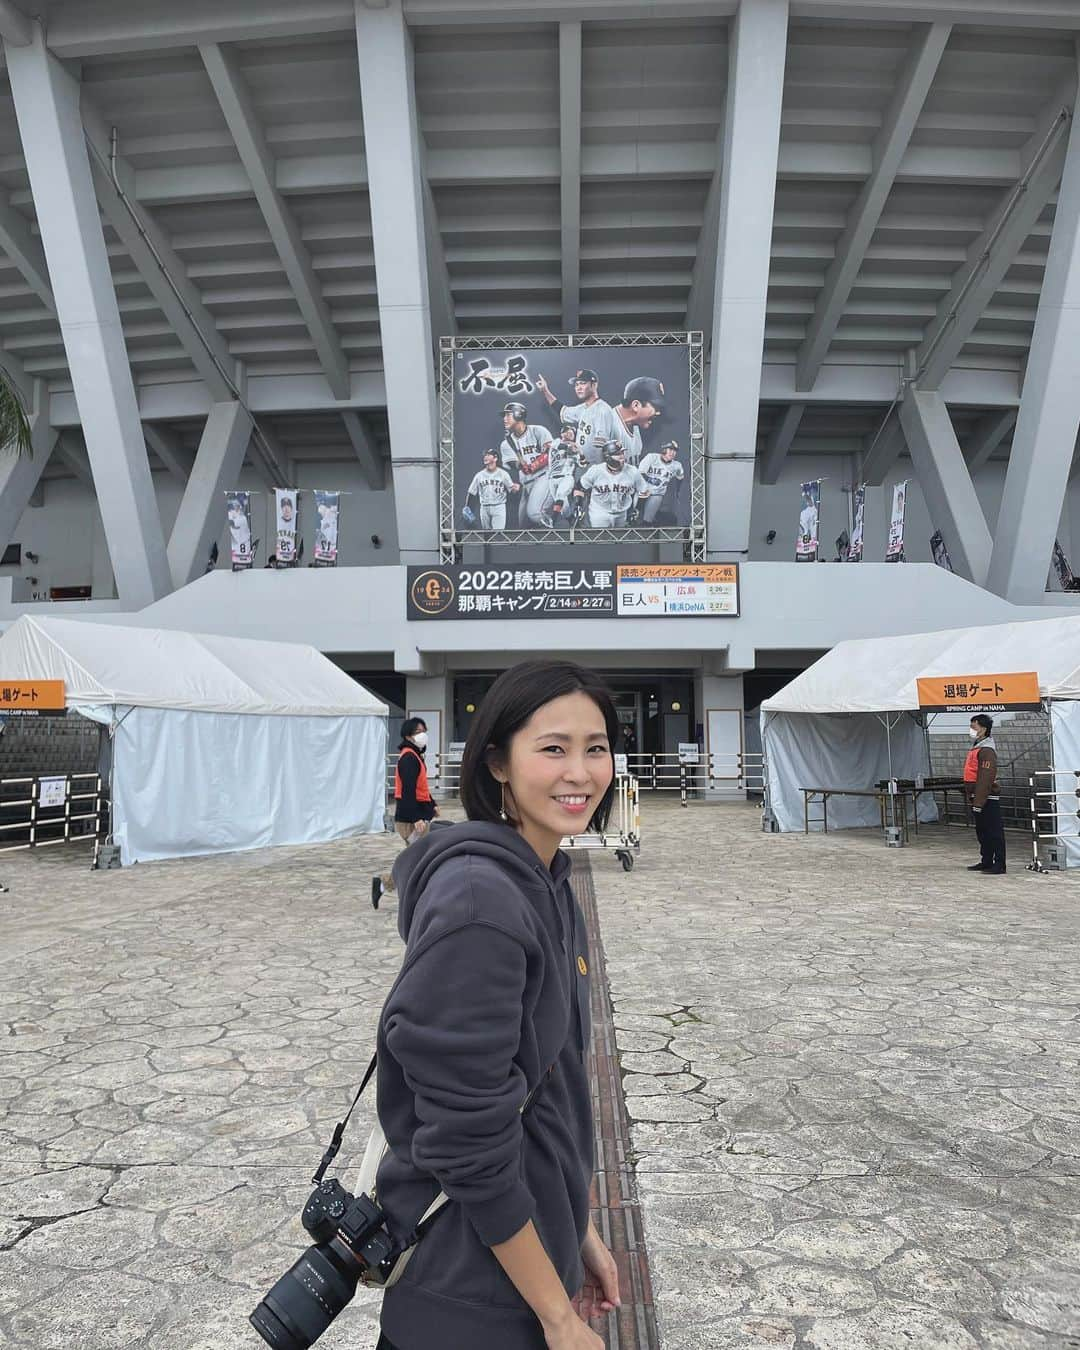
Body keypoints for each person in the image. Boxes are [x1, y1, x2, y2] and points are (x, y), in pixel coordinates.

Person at [373, 661, 622, 1350]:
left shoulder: (548, 880)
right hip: (468, 1298)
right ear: (498, 764)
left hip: (524, 1259)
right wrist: (557, 1316)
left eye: (595, 747)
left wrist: (580, 1230)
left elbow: (542, 1089)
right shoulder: (482, 908)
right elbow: (466, 1137)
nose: (580, 772)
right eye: (552, 748)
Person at [372, 718, 438, 907]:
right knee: (417, 857)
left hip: (417, 816)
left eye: (424, 730)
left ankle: (390, 887)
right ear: (408, 735)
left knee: (417, 856)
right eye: (418, 731)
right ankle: (390, 886)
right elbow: (408, 791)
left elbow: (420, 787)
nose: (423, 734)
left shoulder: (415, 755)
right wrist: (416, 817)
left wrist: (432, 804)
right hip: (410, 819)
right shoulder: (409, 758)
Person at [500, 402, 553, 527]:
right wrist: (520, 465)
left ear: (519, 415)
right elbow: (512, 463)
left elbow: (550, 452)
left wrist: (534, 465)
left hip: (544, 477)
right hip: (526, 484)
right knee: (523, 525)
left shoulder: (538, 431)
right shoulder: (506, 443)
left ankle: (559, 524)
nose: (504, 419)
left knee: (534, 514)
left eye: (508, 415)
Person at [574, 442, 650, 527]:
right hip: (599, 512)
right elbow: (579, 487)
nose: (622, 456)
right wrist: (578, 505)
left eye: (622, 453)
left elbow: (644, 491)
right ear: (607, 457)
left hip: (622, 514)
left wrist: (638, 509)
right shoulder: (596, 471)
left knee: (620, 539)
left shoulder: (632, 471)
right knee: (600, 538)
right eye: (618, 454)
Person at [966, 713, 1006, 874]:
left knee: (993, 831)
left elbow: (985, 777)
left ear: (983, 728)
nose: (971, 730)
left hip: (987, 798)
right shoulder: (978, 747)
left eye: (973, 726)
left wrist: (979, 802)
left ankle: (999, 863)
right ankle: (986, 860)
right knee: (982, 831)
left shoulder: (987, 750)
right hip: (978, 796)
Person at [464, 449, 520, 530]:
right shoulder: (479, 475)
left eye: (488, 455)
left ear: (495, 458)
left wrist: (516, 489)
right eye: (485, 455)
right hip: (484, 507)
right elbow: (471, 493)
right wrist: (467, 507)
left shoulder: (503, 474)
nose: (485, 457)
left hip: (499, 507)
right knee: (487, 534)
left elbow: (512, 491)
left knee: (497, 533)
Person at [639, 441, 684, 523]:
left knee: (647, 520)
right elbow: (639, 474)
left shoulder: (677, 465)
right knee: (633, 516)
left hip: (657, 494)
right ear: (663, 450)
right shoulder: (651, 457)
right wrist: (651, 479)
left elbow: (680, 478)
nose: (673, 453)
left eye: (675, 451)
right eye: (670, 449)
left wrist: (678, 490)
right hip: (641, 492)